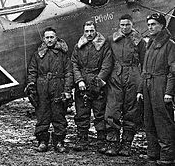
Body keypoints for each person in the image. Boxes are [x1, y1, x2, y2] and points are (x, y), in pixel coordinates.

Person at [26, 27, 73, 153]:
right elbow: (32, 71)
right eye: (47, 37)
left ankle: (59, 142)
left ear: (56, 38)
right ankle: (42, 141)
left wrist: (67, 89)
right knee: (42, 115)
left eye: (52, 37)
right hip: (42, 87)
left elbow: (69, 72)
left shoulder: (63, 55)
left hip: (58, 85)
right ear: (43, 39)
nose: (49, 40)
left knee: (59, 115)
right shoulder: (37, 55)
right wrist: (31, 86)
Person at [105, 14, 146, 156]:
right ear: (119, 25)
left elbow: (144, 61)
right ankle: (112, 143)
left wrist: (141, 81)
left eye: (127, 25)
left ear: (132, 25)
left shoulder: (139, 41)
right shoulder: (112, 39)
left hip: (133, 76)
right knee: (112, 109)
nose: (124, 27)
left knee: (131, 111)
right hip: (116, 76)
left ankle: (126, 144)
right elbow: (107, 59)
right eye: (122, 25)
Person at [137, 13, 175, 166]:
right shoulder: (150, 44)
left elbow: (173, 71)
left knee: (163, 121)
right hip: (148, 85)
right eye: (149, 25)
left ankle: (167, 156)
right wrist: (140, 89)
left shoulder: (170, 45)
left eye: (153, 24)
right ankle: (153, 154)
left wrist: (169, 92)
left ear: (162, 25)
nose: (150, 27)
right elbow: (144, 69)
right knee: (149, 120)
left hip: (161, 85)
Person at [71, 20, 113, 152]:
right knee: (82, 113)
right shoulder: (78, 46)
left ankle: (101, 141)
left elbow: (107, 65)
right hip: (82, 84)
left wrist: (98, 82)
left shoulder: (104, 45)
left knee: (100, 113)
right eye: (86, 31)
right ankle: (82, 140)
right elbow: (74, 63)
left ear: (96, 31)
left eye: (91, 31)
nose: (89, 34)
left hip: (97, 84)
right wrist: (79, 80)